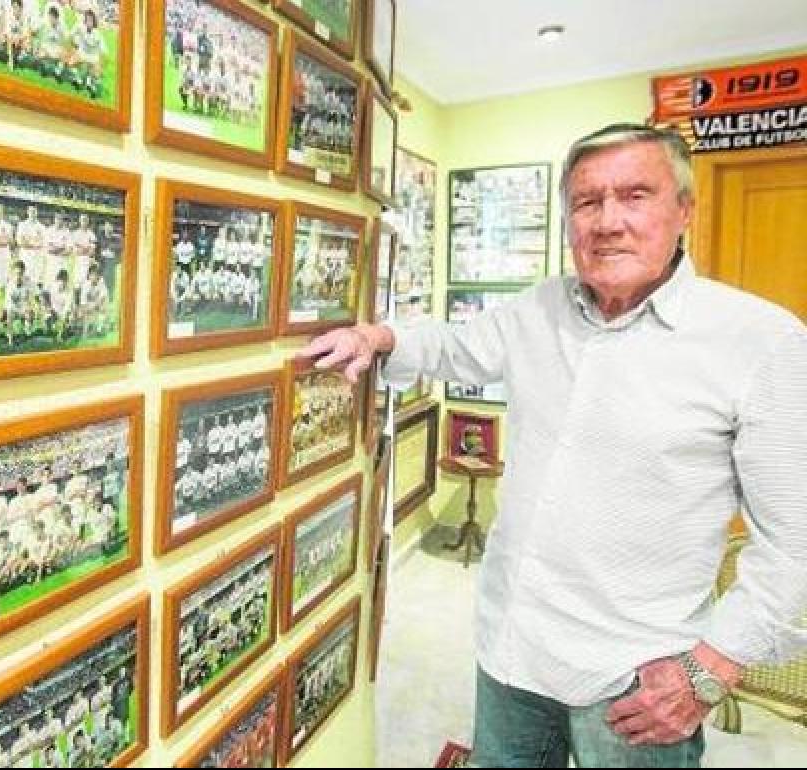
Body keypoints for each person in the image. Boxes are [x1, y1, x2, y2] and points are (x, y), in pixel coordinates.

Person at [300, 123, 807, 768]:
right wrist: (377, 338)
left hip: (635, 680)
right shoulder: (540, 308)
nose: (608, 221)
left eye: (635, 195)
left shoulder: (760, 341)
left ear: (685, 209)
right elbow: (457, 347)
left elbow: (795, 542)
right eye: (587, 201)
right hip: (513, 651)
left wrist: (711, 668)